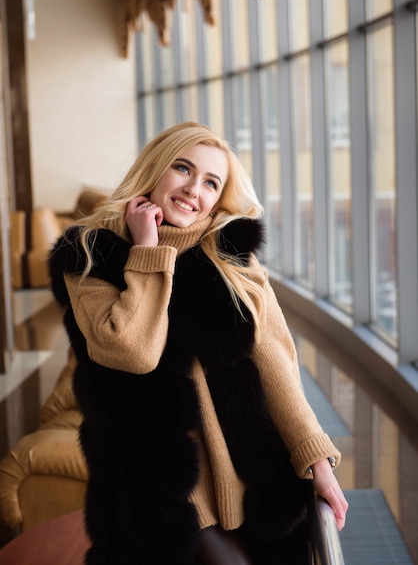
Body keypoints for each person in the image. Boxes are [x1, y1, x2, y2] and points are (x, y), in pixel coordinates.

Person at [49, 121, 348, 565]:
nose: (195, 189)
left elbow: (277, 364)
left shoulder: (230, 257)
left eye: (211, 182)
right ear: (154, 169)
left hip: (255, 486)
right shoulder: (92, 254)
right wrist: (148, 250)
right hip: (156, 501)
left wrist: (317, 461)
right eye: (183, 169)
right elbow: (131, 351)